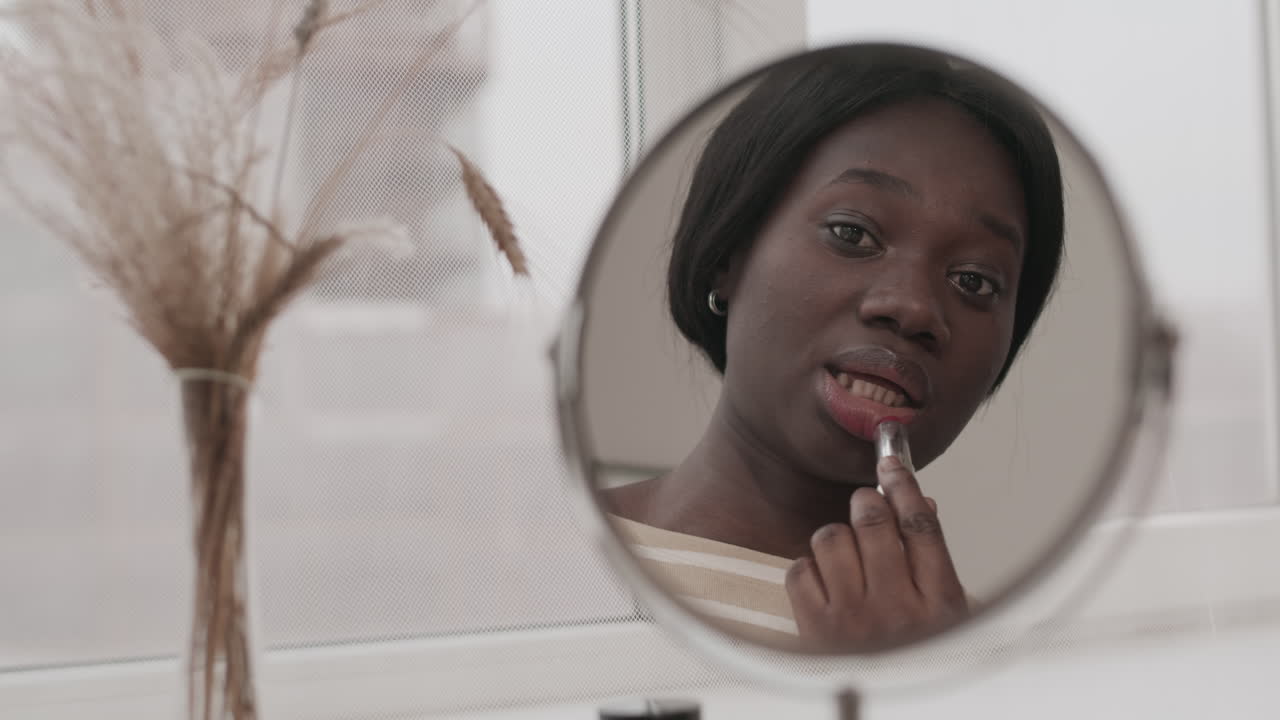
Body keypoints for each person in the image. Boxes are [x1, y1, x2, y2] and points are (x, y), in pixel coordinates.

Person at [605, 45, 1065, 652]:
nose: (914, 307)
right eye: (853, 234)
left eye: (974, 281)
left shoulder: (971, 648)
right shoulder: (563, 567)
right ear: (726, 256)